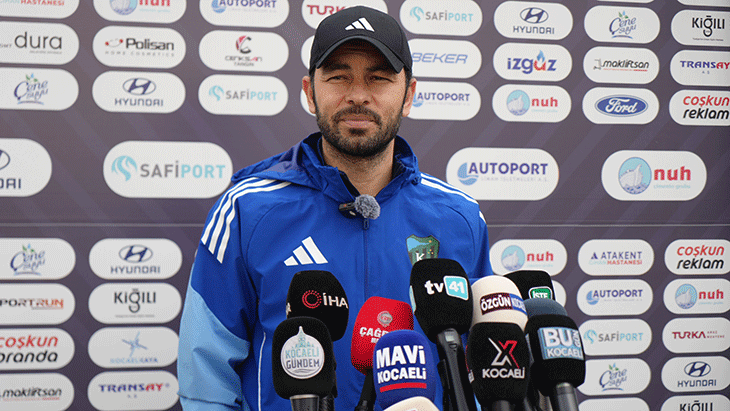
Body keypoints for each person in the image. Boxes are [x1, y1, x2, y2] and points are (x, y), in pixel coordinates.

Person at [177, 6, 492, 411]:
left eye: (379, 78)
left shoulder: (460, 217)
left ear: (409, 94)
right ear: (310, 92)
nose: (358, 95)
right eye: (339, 77)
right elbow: (207, 383)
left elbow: (482, 368)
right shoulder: (247, 210)